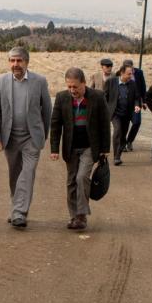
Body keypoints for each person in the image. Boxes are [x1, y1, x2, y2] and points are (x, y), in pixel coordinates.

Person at [0, 46, 52, 229]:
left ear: (27, 62)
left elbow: (47, 110)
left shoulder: (39, 81)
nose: (15, 64)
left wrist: (43, 134)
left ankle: (19, 213)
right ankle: (16, 207)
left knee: (27, 173)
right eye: (12, 60)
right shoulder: (1, 81)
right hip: (10, 138)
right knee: (14, 175)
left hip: (31, 138)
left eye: (19, 60)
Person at [49, 67, 110, 231]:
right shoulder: (61, 97)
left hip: (90, 146)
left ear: (84, 83)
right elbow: (55, 125)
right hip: (71, 147)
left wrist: (105, 148)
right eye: (69, 86)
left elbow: (105, 123)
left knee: (82, 177)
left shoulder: (97, 97)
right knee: (71, 181)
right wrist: (54, 149)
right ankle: (74, 216)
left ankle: (81, 215)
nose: (72, 90)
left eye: (75, 86)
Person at [105, 65, 141, 165]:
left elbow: (137, 97)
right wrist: (105, 109)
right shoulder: (111, 82)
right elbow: (104, 96)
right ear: (122, 73)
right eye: (129, 74)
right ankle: (116, 157)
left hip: (127, 113)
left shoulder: (133, 84)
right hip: (115, 113)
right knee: (117, 131)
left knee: (123, 135)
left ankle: (118, 155)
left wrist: (137, 105)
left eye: (132, 74)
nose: (131, 76)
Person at [121, 59, 147, 152]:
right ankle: (122, 144)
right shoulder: (119, 73)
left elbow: (143, 87)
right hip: (124, 104)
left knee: (137, 122)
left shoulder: (139, 73)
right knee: (123, 125)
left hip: (136, 102)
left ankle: (129, 141)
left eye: (131, 67)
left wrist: (144, 101)